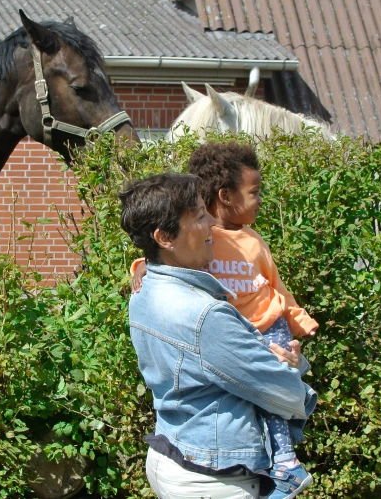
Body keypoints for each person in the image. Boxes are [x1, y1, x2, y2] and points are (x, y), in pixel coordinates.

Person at [130, 142, 319, 498]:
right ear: (164, 237)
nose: (210, 225)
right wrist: (290, 371)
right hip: (214, 476)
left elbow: (272, 286)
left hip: (172, 450)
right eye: (200, 217)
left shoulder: (144, 293)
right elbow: (284, 393)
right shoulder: (206, 317)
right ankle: (286, 466)